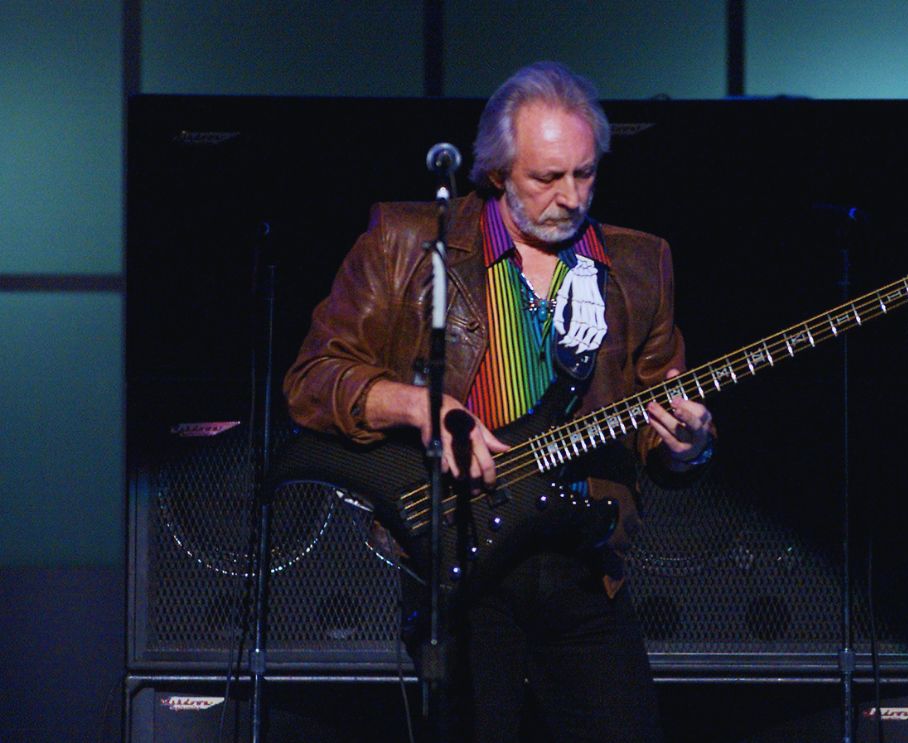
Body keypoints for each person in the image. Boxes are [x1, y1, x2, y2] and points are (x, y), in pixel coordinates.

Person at [284, 60, 714, 742]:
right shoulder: (407, 243)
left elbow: (658, 423)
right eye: (546, 177)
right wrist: (422, 406)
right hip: (461, 559)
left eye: (585, 172)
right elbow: (313, 379)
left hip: (583, 563)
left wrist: (687, 445)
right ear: (495, 172)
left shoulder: (637, 264)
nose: (570, 196)